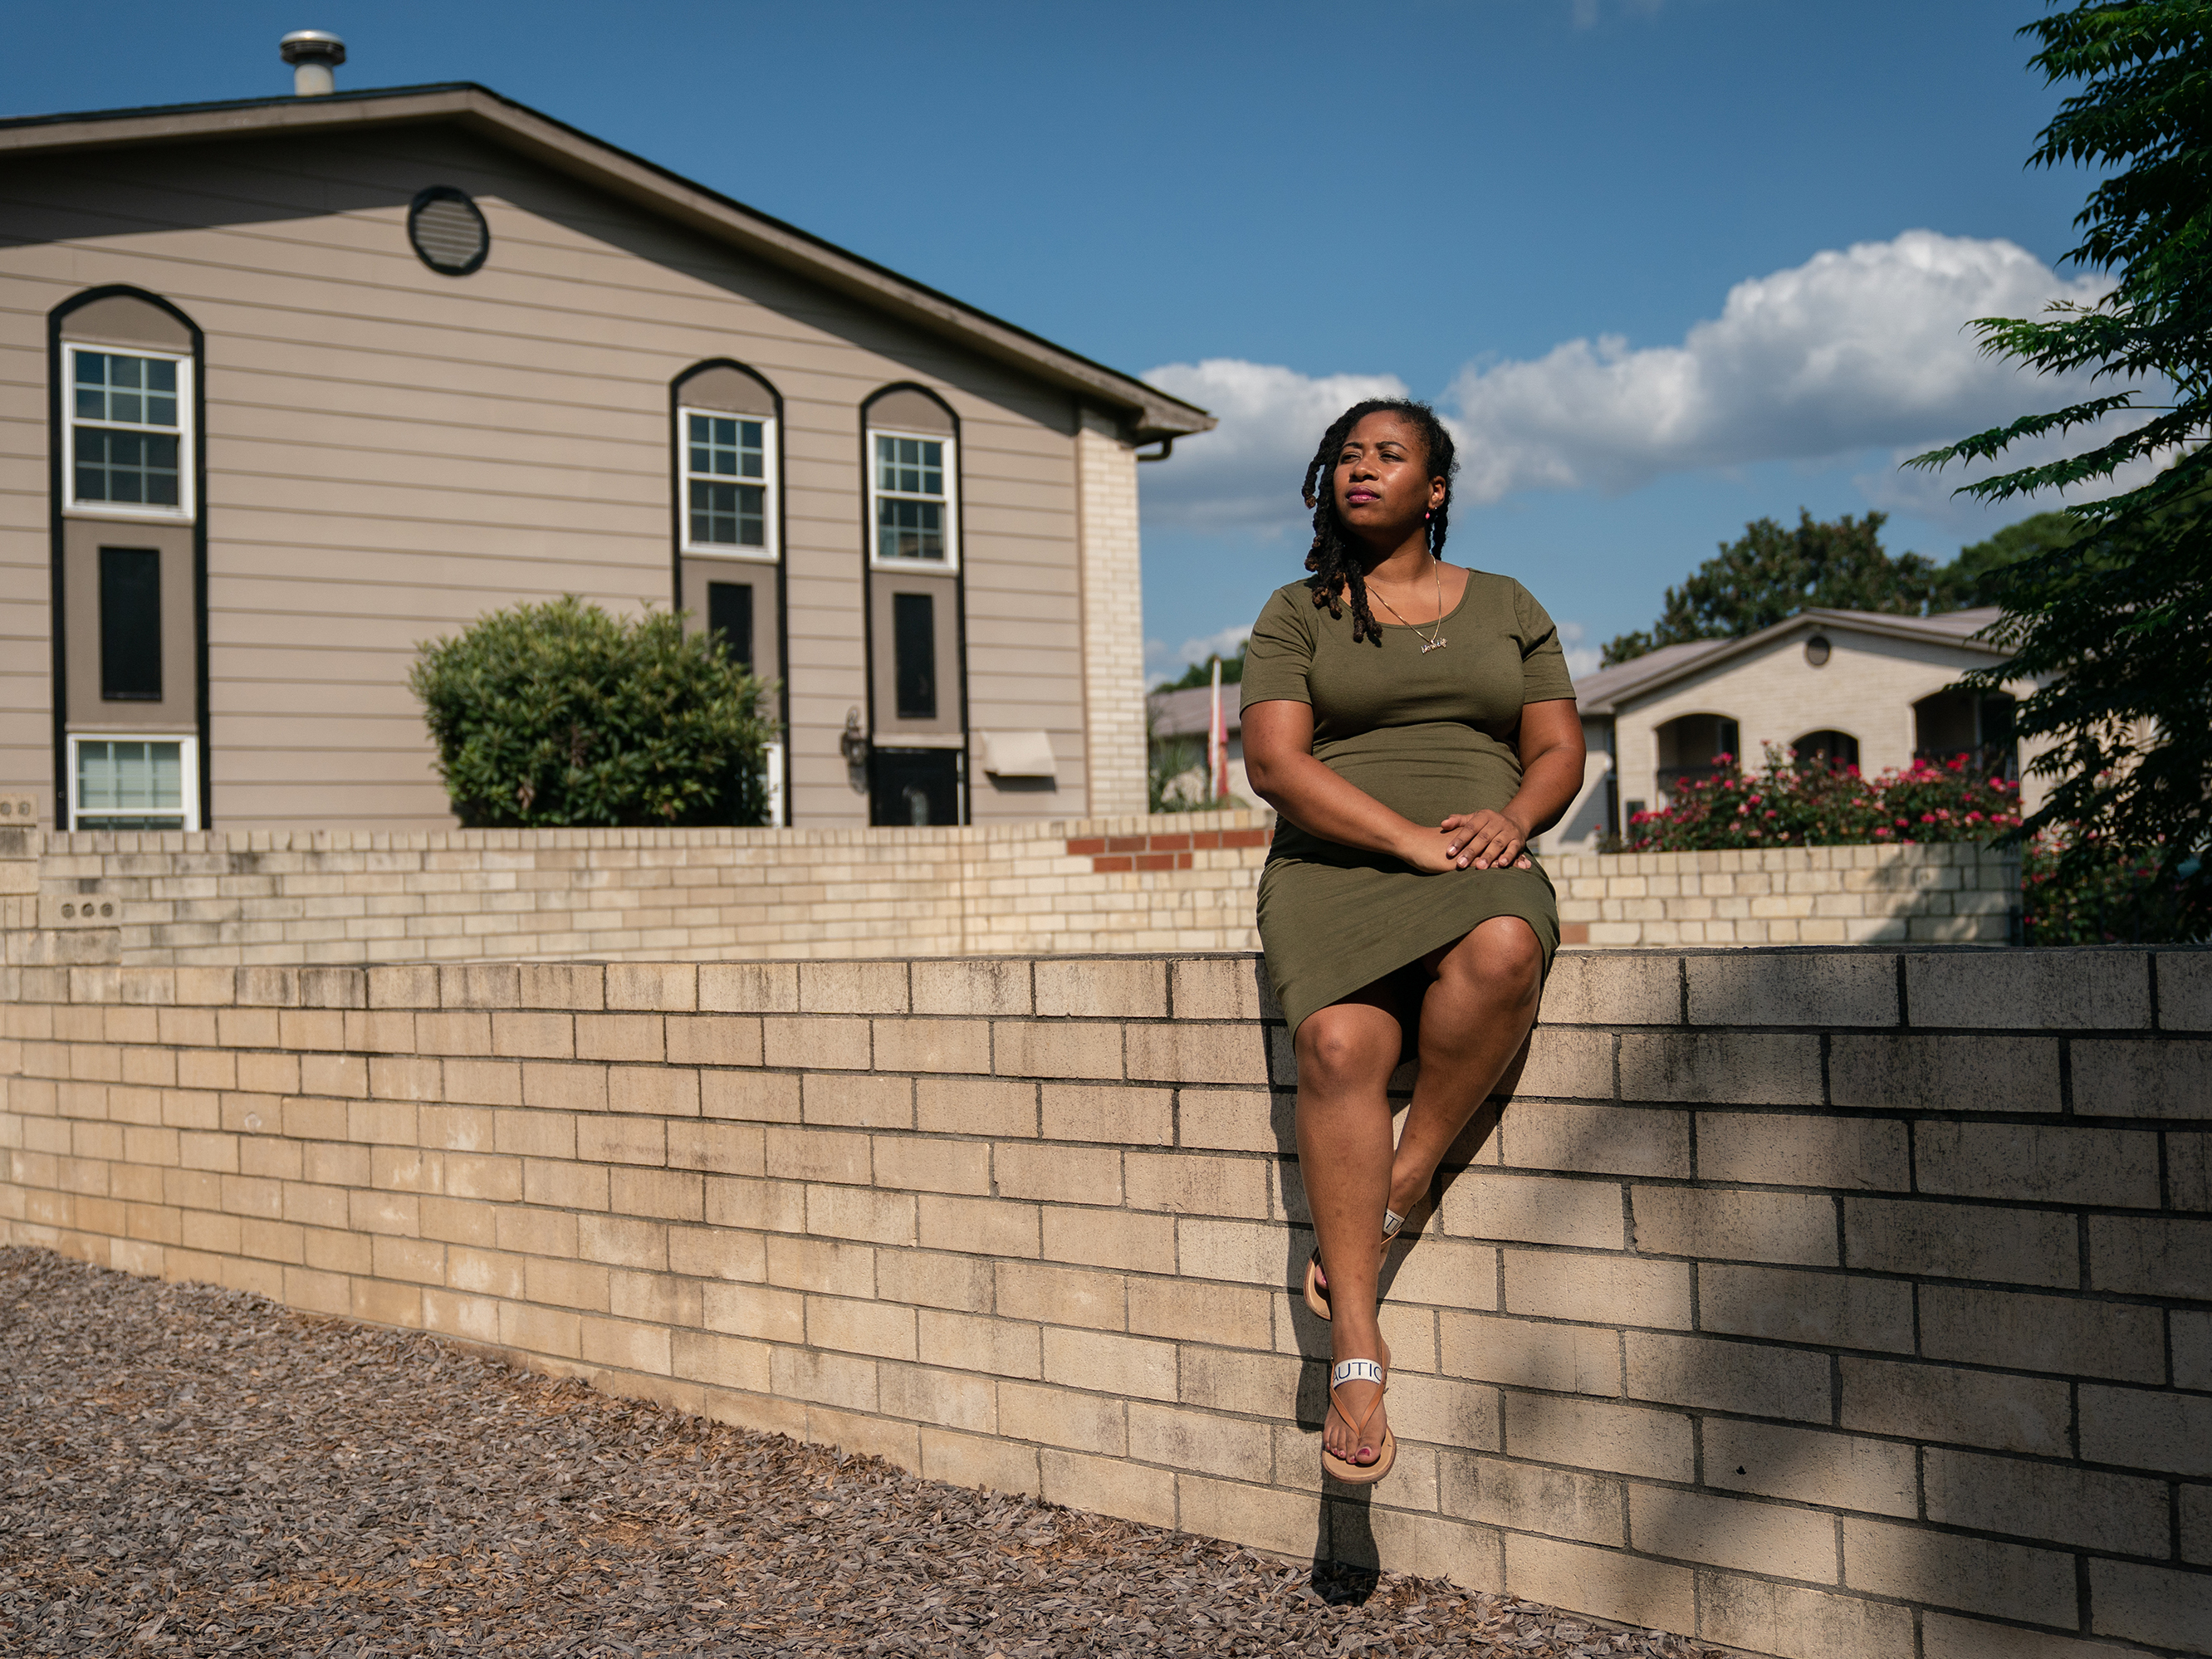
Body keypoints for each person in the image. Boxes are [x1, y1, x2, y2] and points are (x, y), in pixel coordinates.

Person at [1239, 399, 1584, 1486]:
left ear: (1435, 488)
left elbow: (1558, 746)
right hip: (1336, 866)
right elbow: (1276, 764)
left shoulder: (1509, 605)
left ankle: (1403, 1182)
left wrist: (1514, 822)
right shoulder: (1297, 612)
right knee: (1339, 1047)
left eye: (1389, 455)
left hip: (1478, 853)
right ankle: (1357, 1350)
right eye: (1347, 454)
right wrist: (1402, 839)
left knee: (1501, 953)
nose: (1362, 469)